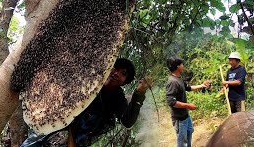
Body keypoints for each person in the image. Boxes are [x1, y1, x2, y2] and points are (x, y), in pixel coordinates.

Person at [21, 58, 150, 147]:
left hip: (77, 137)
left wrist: (139, 94)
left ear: (125, 82)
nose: (116, 73)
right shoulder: (92, 78)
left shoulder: (117, 97)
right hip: (54, 123)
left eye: (123, 73)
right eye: (115, 68)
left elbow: (127, 121)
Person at [165, 56, 210, 147]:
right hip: (179, 118)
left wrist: (202, 85)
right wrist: (188, 105)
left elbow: (188, 88)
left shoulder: (178, 79)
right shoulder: (172, 82)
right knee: (182, 142)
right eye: (181, 64)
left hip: (185, 115)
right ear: (177, 66)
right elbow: (171, 102)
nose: (183, 65)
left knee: (189, 132)